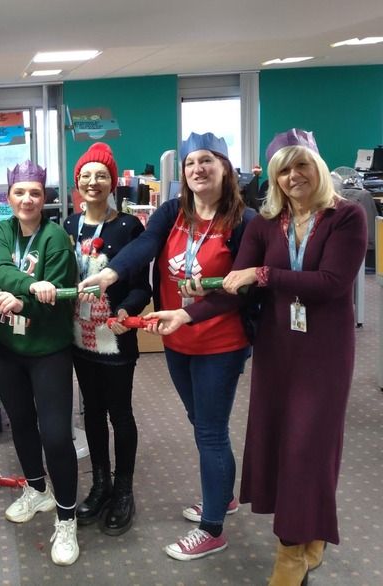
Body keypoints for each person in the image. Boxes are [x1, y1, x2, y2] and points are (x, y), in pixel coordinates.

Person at [155, 129, 366, 585]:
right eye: (283, 170)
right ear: (273, 177)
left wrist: (265, 272)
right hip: (276, 349)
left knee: (309, 447)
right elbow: (236, 289)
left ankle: (290, 554)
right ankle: (310, 538)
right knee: (278, 442)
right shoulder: (268, 223)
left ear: (318, 168)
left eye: (301, 166)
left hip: (323, 354)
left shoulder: (345, 217)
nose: (293, 177)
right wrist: (186, 316)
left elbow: (331, 283)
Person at [80, 132, 256, 561]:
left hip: (220, 340)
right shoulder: (172, 212)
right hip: (177, 339)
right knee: (201, 423)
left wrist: (188, 315)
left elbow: (240, 289)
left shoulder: (245, 221)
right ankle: (224, 498)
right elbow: (145, 246)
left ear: (226, 168)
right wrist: (112, 274)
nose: (198, 169)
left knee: (211, 431)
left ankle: (212, 527)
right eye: (191, 162)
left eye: (208, 161)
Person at [0, 160, 80, 566]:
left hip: (48, 351)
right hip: (7, 349)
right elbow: (0, 269)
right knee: (20, 424)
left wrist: (21, 299)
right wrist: (26, 289)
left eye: (35, 193)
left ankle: (66, 518)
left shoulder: (55, 238)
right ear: (8, 196)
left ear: (46, 198)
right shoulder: (1, 230)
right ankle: (36, 489)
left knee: (57, 435)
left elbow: (58, 296)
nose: (27, 199)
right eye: (19, 192)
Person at [63, 143, 151, 535]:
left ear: (112, 182)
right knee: (92, 413)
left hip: (114, 338)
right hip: (80, 339)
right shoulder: (67, 226)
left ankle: (124, 490)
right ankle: (100, 484)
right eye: (86, 176)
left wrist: (124, 313)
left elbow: (141, 287)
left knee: (120, 413)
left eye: (101, 175)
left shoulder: (129, 227)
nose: (93, 182)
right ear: (77, 182)